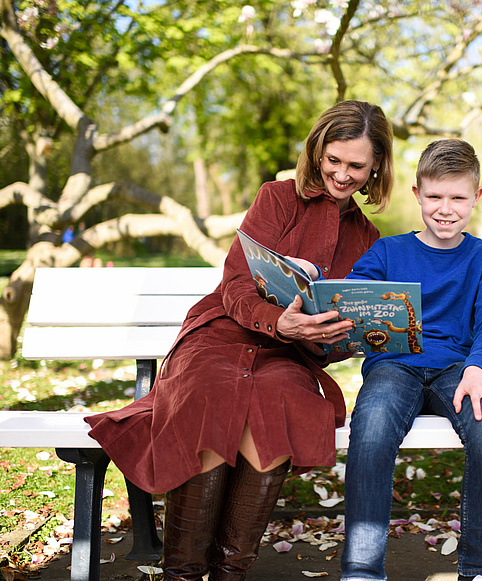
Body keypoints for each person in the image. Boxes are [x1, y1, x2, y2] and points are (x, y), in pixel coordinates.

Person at [84, 100, 395, 581]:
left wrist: (332, 337)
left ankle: (230, 573)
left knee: (282, 402)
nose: (342, 174)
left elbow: (342, 336)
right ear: (317, 152)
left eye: (356, 165)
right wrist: (279, 320)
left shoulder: (368, 237)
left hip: (290, 356)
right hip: (222, 335)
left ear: (376, 166)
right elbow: (235, 284)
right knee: (209, 397)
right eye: (333, 160)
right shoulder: (276, 197)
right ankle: (182, 574)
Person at [339, 139, 482, 581]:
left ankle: (476, 569)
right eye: (434, 196)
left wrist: (478, 368)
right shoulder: (387, 252)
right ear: (417, 194)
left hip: (458, 370)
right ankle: (361, 571)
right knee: (372, 428)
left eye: (458, 197)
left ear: (476, 197)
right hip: (394, 365)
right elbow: (351, 301)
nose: (445, 209)